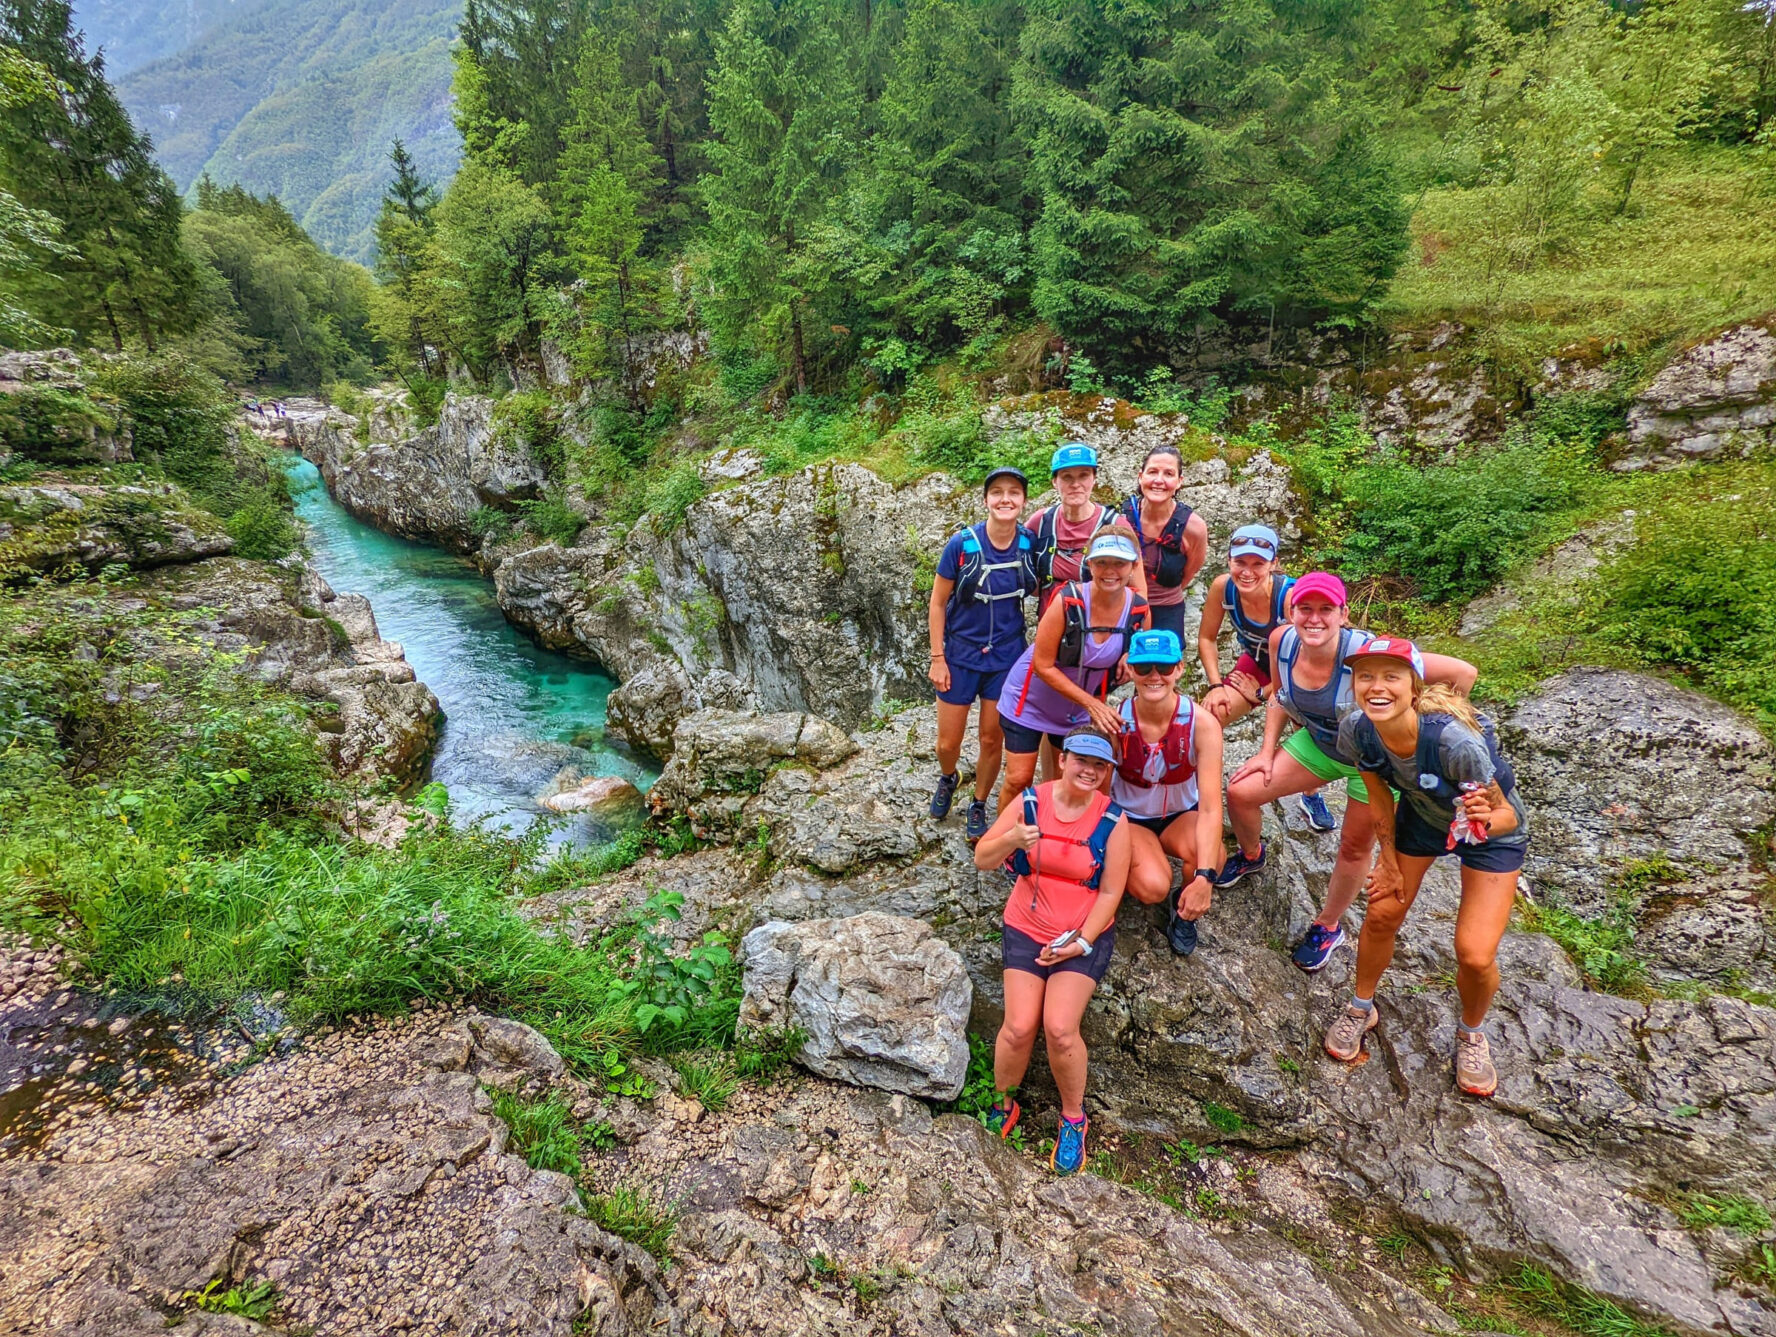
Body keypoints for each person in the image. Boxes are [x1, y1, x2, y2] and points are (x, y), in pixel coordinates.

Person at [1219, 573, 1477, 973]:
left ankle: (1327, 925)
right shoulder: (1281, 642)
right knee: (1241, 793)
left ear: (1344, 614)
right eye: (1306, 609)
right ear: (1292, 611)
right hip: (1321, 745)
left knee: (1354, 846)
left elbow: (1463, 673)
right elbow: (1279, 697)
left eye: (1326, 610)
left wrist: (1427, 733)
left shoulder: (1369, 652)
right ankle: (1252, 855)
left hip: (1373, 762)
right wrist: (1266, 752)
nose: (1315, 619)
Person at [1323, 637, 1529, 1098]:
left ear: (1414, 688)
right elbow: (1378, 796)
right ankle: (1361, 1007)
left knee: (1475, 953)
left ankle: (1471, 1033)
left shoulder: (1457, 742)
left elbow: (1507, 816)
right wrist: (1389, 863)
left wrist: (1473, 825)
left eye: (1390, 677)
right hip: (1421, 817)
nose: (1377, 687)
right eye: (1366, 676)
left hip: (1488, 833)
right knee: (1381, 913)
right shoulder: (1357, 728)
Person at [973, 729, 1132, 1176]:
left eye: (1100, 766)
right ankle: (1004, 1104)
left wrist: (1080, 940)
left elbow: (1111, 892)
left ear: (1106, 774)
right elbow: (983, 856)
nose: (1089, 771)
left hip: (1082, 935)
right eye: (1082, 760)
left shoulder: (1115, 821)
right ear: (1062, 760)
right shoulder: (1029, 803)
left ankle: (1073, 1119)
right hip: (1026, 925)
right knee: (1019, 1026)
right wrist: (1013, 840)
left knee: (1060, 1027)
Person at [996, 525, 1150, 813]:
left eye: (1119, 563)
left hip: (1075, 709)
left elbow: (1142, 655)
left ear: (1133, 566)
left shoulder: (1139, 610)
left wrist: (1129, 659)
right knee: (1018, 779)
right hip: (1028, 700)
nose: (1110, 570)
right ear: (1089, 564)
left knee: (1062, 782)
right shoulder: (1067, 600)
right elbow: (1042, 665)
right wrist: (1092, 704)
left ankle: (1052, 842)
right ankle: (1001, 846)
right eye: (1102, 562)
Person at [1196, 524, 1335, 833]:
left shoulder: (1290, 598)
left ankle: (1311, 793)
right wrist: (1217, 686)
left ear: (1274, 564)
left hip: (1300, 669)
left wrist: (1262, 692)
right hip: (1257, 662)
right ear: (1229, 561)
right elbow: (1206, 638)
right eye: (1240, 562)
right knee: (1208, 717)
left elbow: (1303, 665)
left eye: (1258, 563)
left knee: (1304, 718)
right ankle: (1199, 792)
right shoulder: (1223, 588)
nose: (1247, 572)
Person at [929, 466, 1039, 840]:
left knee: (992, 739)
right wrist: (937, 658)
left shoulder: (1029, 545)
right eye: (997, 492)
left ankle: (978, 802)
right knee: (948, 743)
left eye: (1014, 493)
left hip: (1006, 659)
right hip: (959, 655)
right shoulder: (961, 545)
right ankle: (949, 776)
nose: (1005, 499)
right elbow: (937, 602)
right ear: (986, 500)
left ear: (1024, 501)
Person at [1112, 629, 1225, 957]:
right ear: (1130, 670)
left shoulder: (1201, 725)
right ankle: (1143, 868)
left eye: (1164, 667)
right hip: (1130, 818)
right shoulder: (1116, 721)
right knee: (1153, 886)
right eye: (1144, 668)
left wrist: (1204, 878)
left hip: (1180, 815)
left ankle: (1186, 908)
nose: (1154, 676)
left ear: (1180, 669)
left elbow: (1210, 807)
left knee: (1213, 858)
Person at [1026, 442, 1144, 613]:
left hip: (1100, 624)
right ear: (1054, 482)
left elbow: (1139, 591)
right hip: (1050, 624)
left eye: (1083, 476)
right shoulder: (1041, 522)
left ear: (1094, 480)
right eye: (1067, 477)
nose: (1075, 484)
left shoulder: (1115, 525)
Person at [1120, 445, 1208, 642]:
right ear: (1140, 476)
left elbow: (1189, 572)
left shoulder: (1193, 528)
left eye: (1168, 474)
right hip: (1122, 607)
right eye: (1152, 472)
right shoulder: (1122, 519)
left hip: (1167, 611)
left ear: (1179, 482)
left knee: (1162, 671)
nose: (1159, 480)